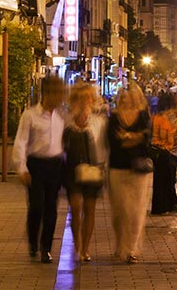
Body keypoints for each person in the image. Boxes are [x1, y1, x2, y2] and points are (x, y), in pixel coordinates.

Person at [13, 75, 66, 264]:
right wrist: (22, 168)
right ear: (47, 93)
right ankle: (33, 241)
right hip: (35, 165)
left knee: (51, 208)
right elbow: (21, 142)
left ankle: (46, 248)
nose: (61, 98)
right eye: (58, 94)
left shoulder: (60, 117)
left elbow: (62, 143)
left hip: (54, 166)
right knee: (36, 206)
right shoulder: (30, 115)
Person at [107, 85, 152, 263]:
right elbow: (111, 140)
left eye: (129, 96)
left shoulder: (143, 116)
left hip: (139, 169)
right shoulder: (114, 117)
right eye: (123, 96)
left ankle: (132, 249)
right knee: (120, 211)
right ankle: (120, 244)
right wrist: (135, 137)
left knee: (136, 211)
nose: (126, 99)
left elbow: (147, 138)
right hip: (117, 167)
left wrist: (127, 138)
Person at [62, 82, 106, 263]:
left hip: (93, 169)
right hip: (72, 169)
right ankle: (77, 242)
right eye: (81, 97)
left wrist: (103, 168)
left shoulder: (98, 121)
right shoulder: (66, 119)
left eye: (88, 97)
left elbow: (103, 147)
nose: (85, 101)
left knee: (89, 208)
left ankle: (85, 248)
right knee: (75, 206)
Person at [151, 91, 177, 214]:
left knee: (159, 181)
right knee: (164, 180)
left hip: (156, 151)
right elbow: (165, 137)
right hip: (163, 151)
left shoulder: (155, 117)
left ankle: (158, 207)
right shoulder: (163, 120)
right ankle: (162, 207)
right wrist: (174, 129)